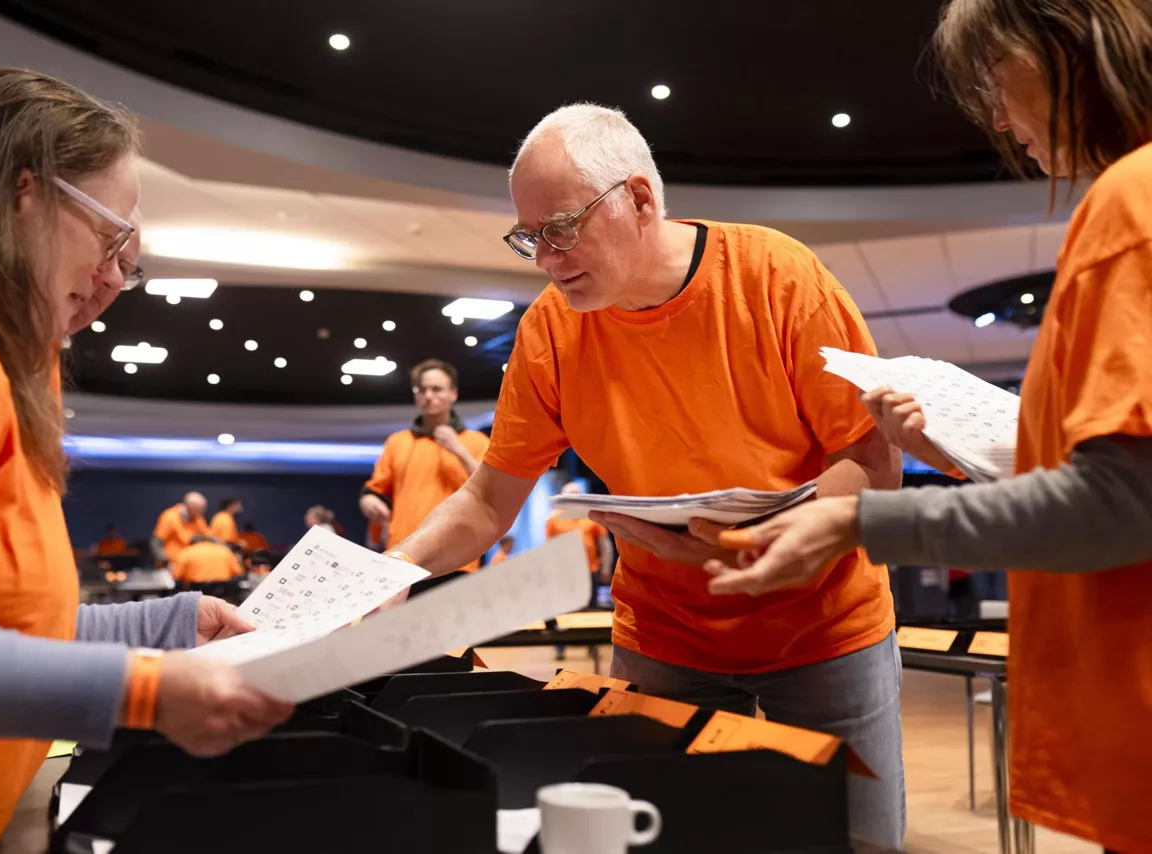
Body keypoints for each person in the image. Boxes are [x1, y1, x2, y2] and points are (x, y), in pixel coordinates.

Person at [381, 104, 905, 847]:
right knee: (664, 837)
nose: (545, 259)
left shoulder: (778, 277)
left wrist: (772, 541)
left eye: (560, 228)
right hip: (667, 634)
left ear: (639, 199)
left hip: (824, 629)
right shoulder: (550, 330)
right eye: (530, 237)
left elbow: (872, 459)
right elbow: (490, 496)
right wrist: (392, 567)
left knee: (851, 841)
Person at [704, 2, 1152, 850]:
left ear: (1058, 42)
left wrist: (857, 518)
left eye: (995, 79)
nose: (997, 119)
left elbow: (1122, 502)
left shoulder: (1132, 201)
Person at [0, 70, 292, 854]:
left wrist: (162, 624)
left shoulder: (4, 353)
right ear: (21, 194)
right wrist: (143, 690)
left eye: (126, 259)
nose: (112, 279)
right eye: (107, 239)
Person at [361, 359, 491, 590]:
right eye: (422, 390)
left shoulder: (475, 442)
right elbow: (376, 489)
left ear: (453, 393)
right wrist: (368, 499)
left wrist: (459, 450)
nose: (428, 396)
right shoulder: (398, 442)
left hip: (459, 557)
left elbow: (491, 490)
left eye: (437, 389)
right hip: (405, 555)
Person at [546, 482, 616, 604]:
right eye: (570, 494)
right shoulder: (553, 520)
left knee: (590, 607)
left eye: (576, 494)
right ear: (563, 497)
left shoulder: (591, 517)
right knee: (567, 606)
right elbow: (549, 547)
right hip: (564, 572)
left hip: (590, 571)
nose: (573, 498)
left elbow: (605, 545)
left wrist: (606, 569)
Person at [153, 491, 211, 565]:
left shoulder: (198, 518)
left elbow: (207, 535)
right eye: (199, 509)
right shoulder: (169, 517)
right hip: (172, 563)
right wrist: (164, 560)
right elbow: (156, 542)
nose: (202, 512)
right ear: (189, 507)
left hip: (190, 563)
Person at [173, 535, 244, 589]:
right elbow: (238, 572)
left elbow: (176, 576)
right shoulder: (225, 551)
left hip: (196, 592)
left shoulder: (185, 552)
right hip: (222, 592)